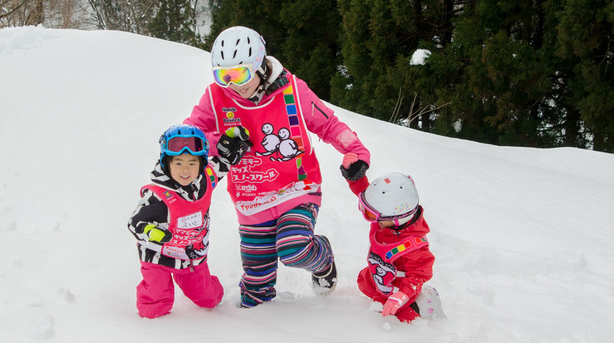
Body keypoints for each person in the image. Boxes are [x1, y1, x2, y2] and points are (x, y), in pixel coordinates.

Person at [185, 25, 371, 308]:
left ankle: (322, 260)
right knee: (256, 289)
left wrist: (355, 151)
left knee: (293, 248)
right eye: (224, 76)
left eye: (240, 74)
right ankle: (261, 328)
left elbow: (329, 125)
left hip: (297, 187)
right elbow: (189, 135)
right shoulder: (215, 97)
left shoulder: (293, 90)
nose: (233, 84)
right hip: (251, 199)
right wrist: (217, 142)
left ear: (260, 64)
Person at [128, 123, 249, 318]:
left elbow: (222, 163)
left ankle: (193, 282)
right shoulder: (158, 196)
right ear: (166, 163)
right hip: (157, 255)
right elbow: (134, 222)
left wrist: (230, 144)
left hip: (191, 257)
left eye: (192, 163)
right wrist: (151, 231)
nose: (185, 170)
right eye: (178, 163)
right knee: (153, 307)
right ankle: (154, 328)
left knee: (209, 299)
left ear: (201, 164)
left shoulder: (204, 181)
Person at [348, 168, 444, 322]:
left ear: (397, 218)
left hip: (398, 287)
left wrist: (403, 294)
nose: (372, 219)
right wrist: (355, 178)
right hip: (377, 278)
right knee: (363, 284)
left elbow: (418, 274)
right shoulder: (384, 221)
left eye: (371, 214)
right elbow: (373, 199)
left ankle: (424, 303)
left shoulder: (414, 246)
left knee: (401, 319)